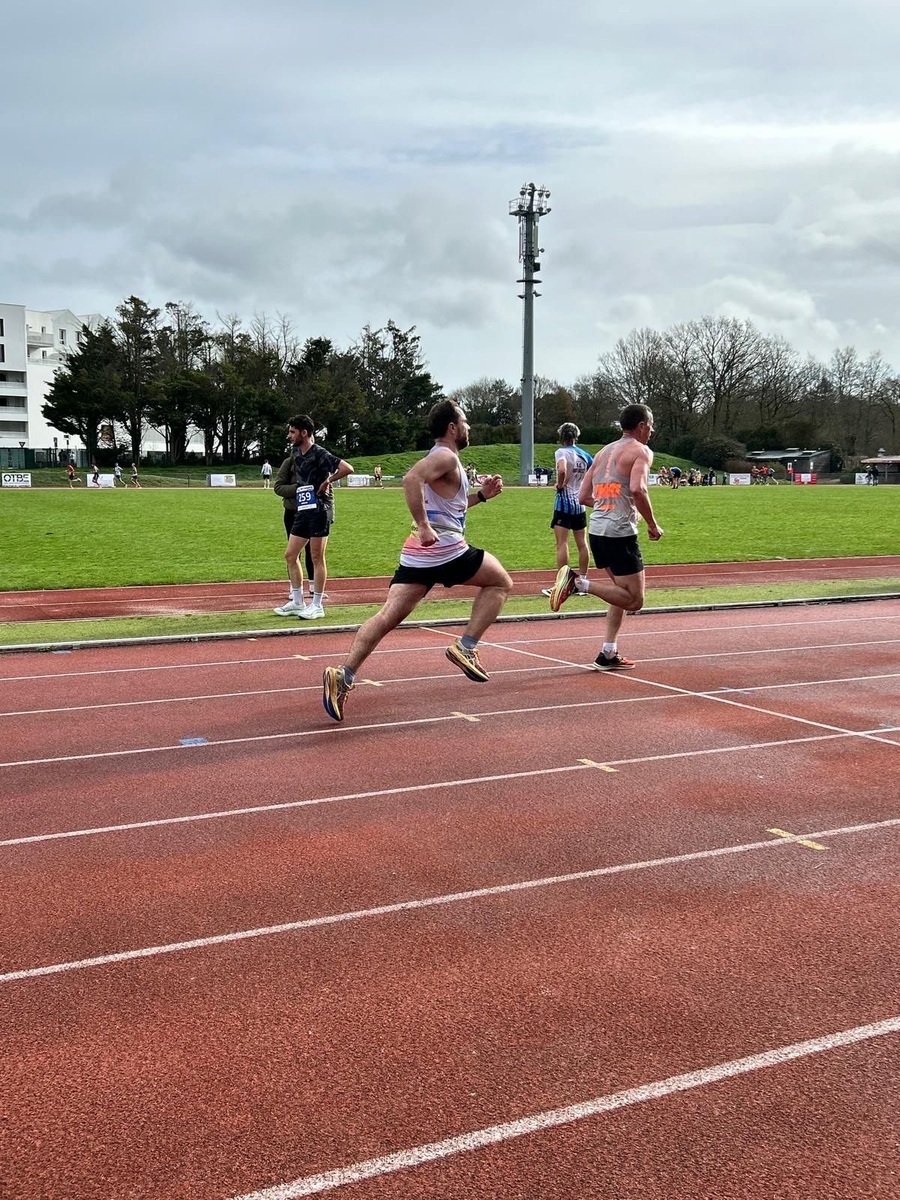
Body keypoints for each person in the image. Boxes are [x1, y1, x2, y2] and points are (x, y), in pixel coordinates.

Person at [322, 399, 510, 721]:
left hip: (419, 554)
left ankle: (344, 675)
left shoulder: (442, 458)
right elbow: (411, 479)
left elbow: (451, 507)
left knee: (386, 616)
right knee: (501, 582)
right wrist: (424, 525)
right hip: (443, 548)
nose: (468, 427)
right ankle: (466, 647)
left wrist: (481, 496)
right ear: (452, 428)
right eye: (464, 421)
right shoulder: (446, 456)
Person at [548, 403, 663, 671]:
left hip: (598, 530)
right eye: (651, 426)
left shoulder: (602, 452)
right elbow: (638, 489)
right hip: (619, 532)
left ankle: (608, 652)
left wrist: (608, 504)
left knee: (619, 594)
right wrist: (652, 524)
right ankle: (578, 583)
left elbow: (583, 496)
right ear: (642, 426)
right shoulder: (641, 451)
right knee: (635, 600)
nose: (652, 431)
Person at [273, 415, 353, 620]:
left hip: (319, 509)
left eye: (292, 432)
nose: (289, 435)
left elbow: (347, 468)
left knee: (316, 557)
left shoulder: (320, 453)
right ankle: (297, 602)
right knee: (290, 555)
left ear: (304, 433)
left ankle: (317, 605)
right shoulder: (295, 452)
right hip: (303, 509)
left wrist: (328, 481)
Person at [540, 423, 592, 600]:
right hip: (580, 504)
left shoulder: (561, 452)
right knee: (582, 543)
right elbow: (594, 474)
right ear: (576, 436)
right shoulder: (585, 455)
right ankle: (583, 582)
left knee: (562, 544)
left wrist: (560, 485)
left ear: (561, 437)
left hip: (563, 503)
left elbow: (562, 469)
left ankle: (562, 584)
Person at [273, 447, 329, 609]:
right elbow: (278, 487)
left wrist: (329, 512)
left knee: (314, 552)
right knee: (293, 552)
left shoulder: (318, 461)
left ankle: (313, 586)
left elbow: (328, 488)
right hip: (293, 511)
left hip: (314, 512)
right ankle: (295, 588)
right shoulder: (288, 463)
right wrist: (299, 487)